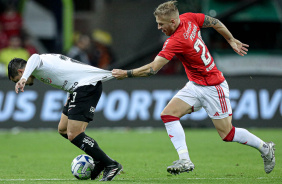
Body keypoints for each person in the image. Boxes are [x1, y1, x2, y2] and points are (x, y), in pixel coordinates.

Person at [112, 1, 275, 175]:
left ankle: (265, 148)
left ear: (173, 22)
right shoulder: (188, 18)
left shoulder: (175, 41)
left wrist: (126, 73)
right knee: (168, 114)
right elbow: (215, 22)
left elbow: (152, 69)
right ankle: (185, 160)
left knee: (227, 134)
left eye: (161, 24)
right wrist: (231, 39)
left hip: (213, 87)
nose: (159, 28)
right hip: (196, 85)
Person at [8, 53, 122, 181]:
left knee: (74, 134)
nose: (21, 83)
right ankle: (99, 160)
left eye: (17, 79)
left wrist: (23, 78)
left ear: (21, 71)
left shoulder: (36, 63)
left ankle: (110, 164)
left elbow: (34, 56)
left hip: (85, 86)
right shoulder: (39, 66)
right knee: (63, 129)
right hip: (76, 88)